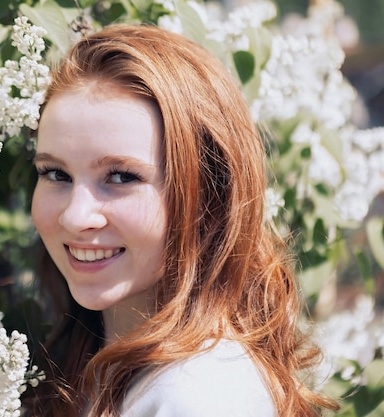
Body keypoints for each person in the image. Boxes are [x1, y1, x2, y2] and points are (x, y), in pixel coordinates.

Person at [28, 24, 338, 416]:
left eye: (122, 177)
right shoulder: (104, 362)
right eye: (55, 174)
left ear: (210, 193)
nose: (75, 216)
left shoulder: (196, 395)